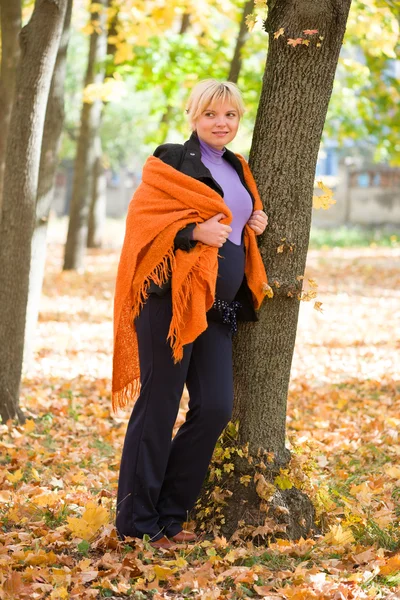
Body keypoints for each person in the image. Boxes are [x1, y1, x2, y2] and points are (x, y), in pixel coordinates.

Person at [112, 79, 269, 549]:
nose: (221, 123)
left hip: (217, 309)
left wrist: (253, 220)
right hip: (170, 302)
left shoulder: (239, 166)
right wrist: (192, 233)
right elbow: (144, 220)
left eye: (231, 116)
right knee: (159, 406)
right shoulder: (171, 158)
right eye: (211, 115)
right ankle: (137, 523)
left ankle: (169, 513)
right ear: (193, 117)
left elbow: (237, 219)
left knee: (216, 407)